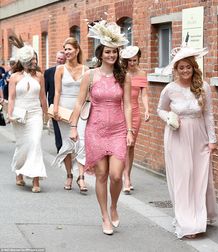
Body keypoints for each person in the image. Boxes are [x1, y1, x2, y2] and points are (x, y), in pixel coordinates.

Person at [70, 20, 134, 235]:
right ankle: (104, 216)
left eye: (114, 52)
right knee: (101, 174)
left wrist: (129, 131)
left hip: (117, 130)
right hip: (95, 129)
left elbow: (127, 104)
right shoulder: (90, 75)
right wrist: (73, 126)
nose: (111, 56)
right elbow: (79, 102)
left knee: (116, 175)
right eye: (108, 52)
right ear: (101, 53)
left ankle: (114, 206)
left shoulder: (124, 76)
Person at [157, 44, 218, 239]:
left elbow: (208, 115)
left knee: (200, 177)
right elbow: (160, 109)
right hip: (177, 137)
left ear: (194, 67)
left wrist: (212, 140)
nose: (185, 70)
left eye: (188, 67)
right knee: (183, 178)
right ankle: (187, 221)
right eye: (181, 67)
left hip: (199, 136)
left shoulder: (203, 87)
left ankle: (200, 215)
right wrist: (169, 118)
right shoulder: (169, 89)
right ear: (175, 69)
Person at [8, 35, 47, 192]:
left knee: (35, 142)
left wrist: (47, 115)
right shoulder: (14, 77)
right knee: (23, 145)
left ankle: (36, 180)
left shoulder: (39, 76)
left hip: (35, 114)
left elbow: (43, 97)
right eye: (32, 60)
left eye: (35, 59)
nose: (34, 62)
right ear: (25, 61)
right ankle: (19, 171)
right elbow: (11, 98)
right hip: (19, 114)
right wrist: (9, 115)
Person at [53, 37, 89, 192]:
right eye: (65, 49)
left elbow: (88, 92)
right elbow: (57, 91)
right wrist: (55, 109)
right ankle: (69, 174)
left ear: (77, 50)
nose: (66, 52)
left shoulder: (86, 70)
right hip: (64, 110)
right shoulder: (60, 69)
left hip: (81, 109)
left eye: (69, 49)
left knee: (81, 142)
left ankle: (81, 177)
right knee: (68, 144)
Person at [120, 46, 150, 193]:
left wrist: (147, 109)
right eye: (129, 61)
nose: (132, 63)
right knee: (121, 145)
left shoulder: (142, 73)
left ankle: (127, 176)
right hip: (120, 111)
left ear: (138, 59)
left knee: (130, 145)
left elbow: (144, 94)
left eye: (135, 60)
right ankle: (119, 173)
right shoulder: (121, 73)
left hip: (135, 113)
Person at [44, 51, 66, 152]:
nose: (59, 60)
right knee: (56, 127)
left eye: (62, 59)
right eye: (58, 58)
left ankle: (68, 147)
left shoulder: (68, 71)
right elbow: (44, 90)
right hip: (53, 103)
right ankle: (59, 147)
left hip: (66, 102)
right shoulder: (49, 72)